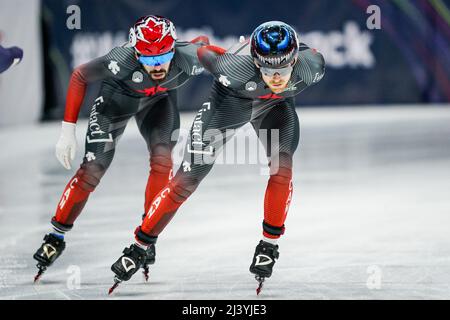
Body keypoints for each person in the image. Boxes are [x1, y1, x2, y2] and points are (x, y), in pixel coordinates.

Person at [109, 21, 325, 294]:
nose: (277, 77)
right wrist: (220, 50)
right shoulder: (231, 69)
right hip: (231, 102)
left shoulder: (312, 66)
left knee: (282, 170)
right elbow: (201, 51)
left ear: (295, 60)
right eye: (268, 69)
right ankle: (140, 245)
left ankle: (269, 244)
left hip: (276, 106)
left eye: (283, 68)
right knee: (188, 179)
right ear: (256, 62)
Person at [32, 15, 209, 282]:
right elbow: (80, 74)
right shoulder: (120, 59)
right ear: (136, 54)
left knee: (163, 161)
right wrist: (68, 131)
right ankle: (56, 235)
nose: (157, 65)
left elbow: (207, 47)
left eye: (162, 56)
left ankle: (149, 231)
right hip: (117, 101)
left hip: (159, 101)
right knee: (92, 169)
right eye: (148, 60)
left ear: (174, 49)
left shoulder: (189, 56)